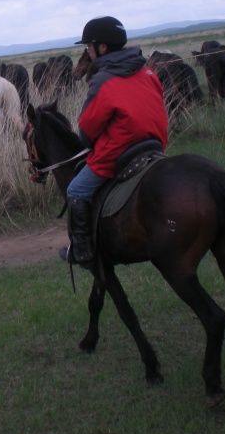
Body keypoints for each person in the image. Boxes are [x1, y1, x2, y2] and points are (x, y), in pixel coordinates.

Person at [59, 16, 169, 266]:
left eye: (89, 46)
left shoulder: (103, 80)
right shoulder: (147, 72)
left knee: (76, 189)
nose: (87, 51)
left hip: (119, 153)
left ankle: (82, 251)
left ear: (102, 48)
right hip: (154, 146)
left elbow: (87, 130)